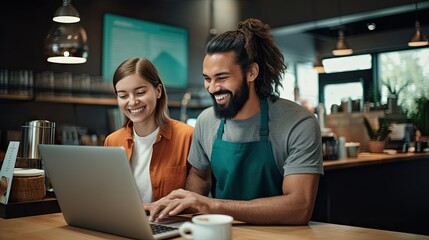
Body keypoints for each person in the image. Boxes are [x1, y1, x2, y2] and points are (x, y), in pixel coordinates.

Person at [145, 18, 324, 225]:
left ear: (251, 72)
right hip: (222, 231)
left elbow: (299, 208)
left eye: (221, 77)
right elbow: (200, 177)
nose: (212, 88)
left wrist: (211, 205)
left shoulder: (298, 123)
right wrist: (180, 205)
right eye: (207, 78)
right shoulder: (206, 121)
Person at [104, 57, 194, 203]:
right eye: (123, 95)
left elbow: (196, 199)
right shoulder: (112, 141)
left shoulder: (187, 136)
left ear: (158, 91)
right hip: (125, 223)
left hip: (171, 223)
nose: (132, 102)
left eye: (140, 92)